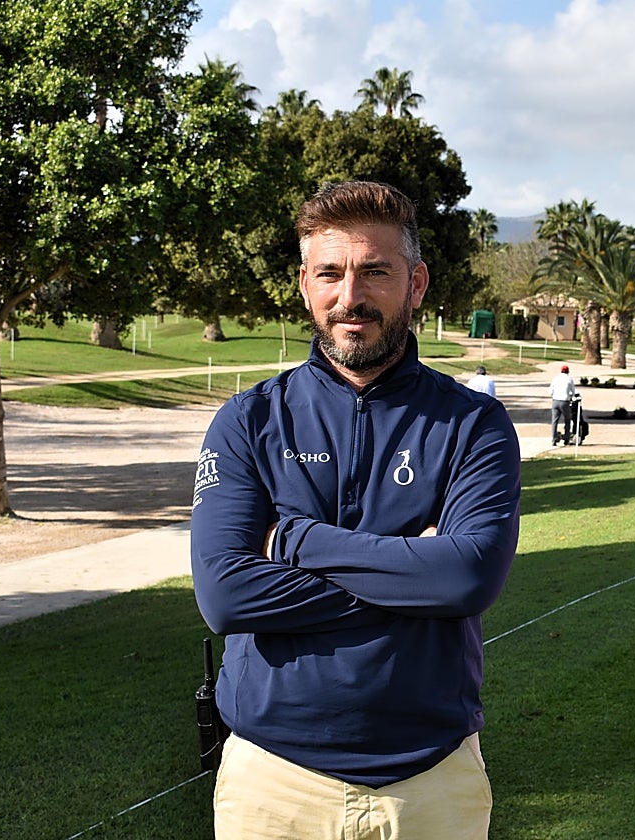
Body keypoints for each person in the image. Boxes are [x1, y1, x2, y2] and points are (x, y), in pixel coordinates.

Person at [191, 181, 522, 839]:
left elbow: (466, 578)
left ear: (416, 284)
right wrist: (415, 572)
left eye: (375, 271)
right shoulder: (249, 420)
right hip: (273, 782)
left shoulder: (472, 424)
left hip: (432, 778)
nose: (351, 296)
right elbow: (226, 596)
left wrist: (295, 541)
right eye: (330, 273)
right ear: (304, 285)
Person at [549, 363, 576, 445]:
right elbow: (573, 391)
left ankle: (553, 438)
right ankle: (566, 438)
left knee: (554, 421)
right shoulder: (569, 379)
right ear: (568, 371)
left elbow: (550, 392)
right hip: (565, 402)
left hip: (555, 401)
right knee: (567, 420)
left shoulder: (556, 379)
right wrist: (571, 396)